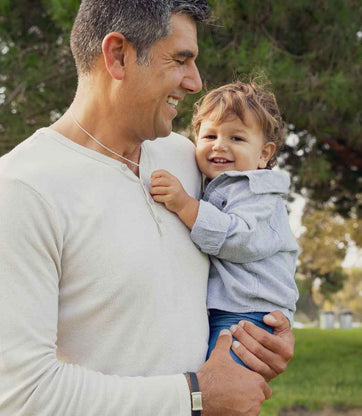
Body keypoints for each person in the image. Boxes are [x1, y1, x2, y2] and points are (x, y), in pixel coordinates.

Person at [0, 1, 295, 415]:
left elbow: (256, 248)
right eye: (181, 60)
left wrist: (268, 333)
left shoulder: (191, 161)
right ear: (118, 55)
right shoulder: (22, 189)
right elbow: (21, 397)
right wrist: (195, 396)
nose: (195, 82)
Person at [150, 81, 299, 368]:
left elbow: (240, 238)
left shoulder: (258, 191)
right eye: (209, 136)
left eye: (237, 139)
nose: (220, 145)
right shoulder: (221, 185)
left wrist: (185, 205)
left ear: (264, 154)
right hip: (231, 310)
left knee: (222, 386)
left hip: (251, 314)